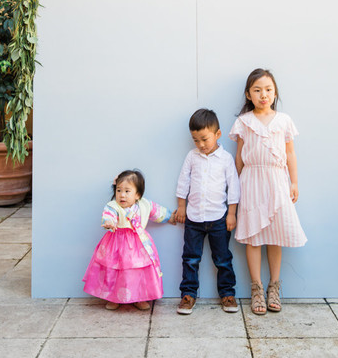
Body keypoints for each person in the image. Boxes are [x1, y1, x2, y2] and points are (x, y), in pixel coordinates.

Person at [230, 69, 307, 315]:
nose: (263, 95)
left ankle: (274, 285)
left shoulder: (283, 120)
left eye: (268, 90)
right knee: (253, 236)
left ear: (275, 93)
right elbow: (239, 157)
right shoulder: (244, 122)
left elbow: (290, 153)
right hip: (251, 181)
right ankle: (256, 288)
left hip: (277, 180)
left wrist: (294, 182)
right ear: (248, 94)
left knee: (276, 235)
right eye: (257, 90)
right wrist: (237, 186)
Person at [175, 108, 240, 314]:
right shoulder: (192, 157)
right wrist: (181, 207)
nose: (201, 144)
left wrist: (231, 213)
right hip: (193, 218)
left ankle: (227, 293)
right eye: (196, 140)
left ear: (217, 134)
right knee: (190, 258)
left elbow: (234, 187)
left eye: (204, 139)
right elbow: (183, 182)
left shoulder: (226, 159)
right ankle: (188, 294)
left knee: (223, 259)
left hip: (218, 218)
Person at [83, 169, 176, 310]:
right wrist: (109, 222)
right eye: (119, 190)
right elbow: (109, 215)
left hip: (138, 244)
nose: (122, 195)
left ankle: (139, 297)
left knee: (137, 271)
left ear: (137, 194)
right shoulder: (113, 206)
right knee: (114, 270)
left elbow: (157, 212)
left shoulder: (145, 205)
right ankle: (113, 297)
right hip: (116, 244)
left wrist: (171, 217)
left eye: (127, 191)